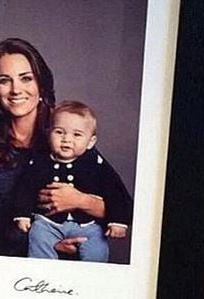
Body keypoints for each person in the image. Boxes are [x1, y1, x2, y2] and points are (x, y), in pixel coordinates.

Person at [0, 38, 111, 257]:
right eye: (5, 80)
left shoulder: (67, 133)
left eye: (26, 78)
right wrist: (44, 241)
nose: (16, 90)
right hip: (12, 265)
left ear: (40, 84)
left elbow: (118, 205)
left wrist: (81, 200)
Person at [13, 101, 133, 262]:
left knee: (97, 248)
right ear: (49, 134)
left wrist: (118, 221)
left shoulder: (95, 163)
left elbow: (115, 192)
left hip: (87, 226)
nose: (66, 140)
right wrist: (22, 215)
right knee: (38, 236)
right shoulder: (39, 161)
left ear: (90, 142)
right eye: (59, 132)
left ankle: (92, 277)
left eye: (76, 135)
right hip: (48, 223)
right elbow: (24, 189)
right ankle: (41, 275)